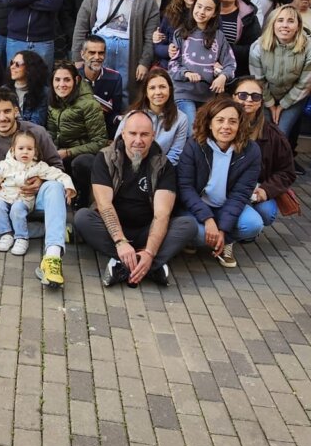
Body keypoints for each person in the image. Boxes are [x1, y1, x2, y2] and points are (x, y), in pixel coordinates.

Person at [76, 111, 199, 287]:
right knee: (82, 218)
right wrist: (120, 242)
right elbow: (104, 205)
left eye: (144, 134)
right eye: (133, 133)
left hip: (147, 231)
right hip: (112, 231)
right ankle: (150, 268)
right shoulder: (105, 158)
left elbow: (162, 214)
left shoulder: (164, 165)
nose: (138, 140)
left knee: (188, 225)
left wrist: (149, 252)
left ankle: (126, 265)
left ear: (153, 136)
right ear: (123, 134)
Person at [0, 88, 70, 286]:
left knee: (55, 188)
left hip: (33, 199)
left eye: (7, 111)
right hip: (5, 202)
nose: (2, 117)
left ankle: (52, 254)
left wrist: (40, 182)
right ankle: (47, 230)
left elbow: (58, 167)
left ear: (16, 110)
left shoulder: (37, 132)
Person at [176, 96, 263, 269]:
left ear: (240, 125)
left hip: (226, 205)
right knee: (198, 234)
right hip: (197, 206)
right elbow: (185, 188)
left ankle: (226, 241)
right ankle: (201, 239)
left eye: (232, 121)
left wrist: (224, 229)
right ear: (209, 123)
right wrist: (208, 219)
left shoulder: (251, 151)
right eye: (220, 120)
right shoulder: (194, 145)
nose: (226, 127)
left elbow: (240, 194)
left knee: (254, 224)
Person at [71, 0, 159, 97]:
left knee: (124, 92)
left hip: (128, 51)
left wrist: (144, 62)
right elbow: (81, 25)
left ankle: (119, 119)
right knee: (93, 90)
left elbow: (151, 34)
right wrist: (77, 57)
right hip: (98, 48)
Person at [0, 130, 76, 256]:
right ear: (13, 150)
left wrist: (68, 186)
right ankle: (6, 234)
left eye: (29, 149)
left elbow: (57, 174)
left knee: (17, 209)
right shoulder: (4, 165)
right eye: (21, 148)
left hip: (24, 200)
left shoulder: (38, 166)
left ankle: (21, 238)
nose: (25, 152)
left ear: (34, 151)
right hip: (4, 198)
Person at [232, 77, 296, 231]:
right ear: (233, 97)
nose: (248, 100)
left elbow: (287, 172)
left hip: (256, 188)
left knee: (266, 213)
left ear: (261, 101)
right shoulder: (220, 126)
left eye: (255, 96)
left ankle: (245, 229)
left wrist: (265, 191)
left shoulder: (273, 135)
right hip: (225, 188)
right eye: (242, 95)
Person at [248, 4, 311, 137]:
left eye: (291, 21)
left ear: (298, 26)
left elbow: (304, 84)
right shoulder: (258, 47)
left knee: (281, 134)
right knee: (263, 133)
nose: (285, 25)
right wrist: (270, 104)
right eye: (280, 20)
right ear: (273, 24)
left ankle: (281, 157)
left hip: (294, 98)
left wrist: (282, 106)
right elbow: (258, 80)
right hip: (265, 95)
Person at [47, 62, 108, 206]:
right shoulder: (53, 102)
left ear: (76, 80)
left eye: (67, 80)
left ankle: (85, 198)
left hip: (83, 156)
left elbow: (100, 142)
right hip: (61, 153)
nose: (61, 84)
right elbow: (51, 132)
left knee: (80, 162)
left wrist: (68, 152)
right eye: (57, 80)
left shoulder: (89, 104)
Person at [169, 0, 234, 124]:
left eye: (208, 9)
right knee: (191, 129)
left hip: (208, 95)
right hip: (184, 92)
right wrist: (186, 73)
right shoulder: (180, 33)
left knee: (203, 132)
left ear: (215, 13)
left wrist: (223, 77)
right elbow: (172, 65)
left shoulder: (219, 37)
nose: (202, 12)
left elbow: (231, 65)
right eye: (199, 7)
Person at [117, 67, 190, 167]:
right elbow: (118, 145)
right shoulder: (132, 116)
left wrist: (153, 170)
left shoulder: (181, 119)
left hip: (161, 170)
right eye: (152, 88)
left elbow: (175, 154)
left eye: (162, 87)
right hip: (130, 166)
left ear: (170, 89)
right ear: (146, 92)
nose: (158, 92)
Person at [215, 0, 261, 77]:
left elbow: (254, 49)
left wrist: (223, 50)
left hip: (235, 74)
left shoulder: (249, 17)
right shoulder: (203, 11)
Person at [77, 35, 126, 133]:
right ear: (82, 54)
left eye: (101, 53)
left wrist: (120, 119)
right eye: (92, 53)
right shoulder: (74, 78)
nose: (97, 57)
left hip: (104, 133)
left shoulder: (115, 78)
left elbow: (114, 112)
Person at [5, 50, 49, 127]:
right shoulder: (4, 90)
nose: (12, 67)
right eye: (12, 63)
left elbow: (36, 124)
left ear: (30, 68)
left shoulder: (43, 92)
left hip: (29, 134)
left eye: (17, 64)